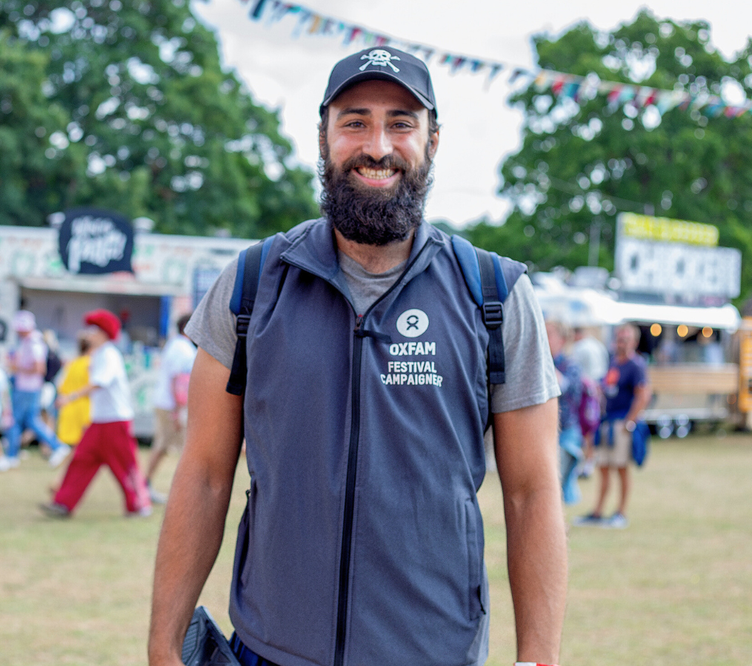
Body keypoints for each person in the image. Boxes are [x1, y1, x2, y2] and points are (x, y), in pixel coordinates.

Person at [148, 47, 566, 666]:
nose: (378, 145)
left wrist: (538, 659)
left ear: (433, 141)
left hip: (434, 654)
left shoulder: (495, 294)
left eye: (401, 122)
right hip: (271, 652)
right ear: (323, 136)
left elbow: (532, 494)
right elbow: (205, 475)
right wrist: (163, 644)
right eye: (354, 121)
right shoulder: (253, 283)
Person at [39, 309, 151, 519]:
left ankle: (139, 504)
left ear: (103, 333)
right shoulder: (99, 355)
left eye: (92, 330)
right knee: (81, 461)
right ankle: (63, 503)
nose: (88, 334)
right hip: (100, 420)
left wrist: (70, 398)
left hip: (115, 420)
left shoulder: (109, 354)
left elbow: (99, 383)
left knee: (125, 465)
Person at [576, 324, 651, 529]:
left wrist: (630, 421)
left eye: (626, 339)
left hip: (621, 423)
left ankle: (621, 513)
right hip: (606, 422)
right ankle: (598, 511)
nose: (621, 342)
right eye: (619, 338)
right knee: (603, 468)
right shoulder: (613, 363)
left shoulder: (636, 365)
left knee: (621, 469)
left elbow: (643, 394)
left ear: (634, 342)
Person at [4, 311, 70, 468]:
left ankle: (11, 455)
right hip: (27, 388)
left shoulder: (34, 343)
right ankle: (56, 447)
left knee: (17, 420)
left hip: (28, 389)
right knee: (31, 421)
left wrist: (17, 367)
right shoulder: (29, 341)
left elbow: (39, 368)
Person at [144, 313, 196, 504]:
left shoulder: (176, 345)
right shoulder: (183, 349)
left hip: (169, 404)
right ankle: (149, 486)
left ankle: (146, 485)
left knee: (164, 446)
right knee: (182, 448)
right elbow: (178, 381)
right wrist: (178, 410)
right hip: (172, 406)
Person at [546, 320, 584, 505]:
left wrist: (544, 365)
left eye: (549, 334)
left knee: (560, 484)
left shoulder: (571, 366)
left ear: (562, 339)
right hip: (544, 433)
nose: (544, 338)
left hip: (566, 431)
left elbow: (566, 388)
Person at [571, 326, 609, 476]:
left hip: (585, 394)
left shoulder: (579, 348)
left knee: (584, 428)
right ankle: (589, 461)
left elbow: (576, 372)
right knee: (592, 428)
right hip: (596, 392)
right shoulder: (598, 345)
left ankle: (585, 461)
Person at [55, 331, 92, 449]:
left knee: (74, 447)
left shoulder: (72, 363)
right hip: (86, 408)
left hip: (69, 407)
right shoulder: (91, 363)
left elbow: (61, 386)